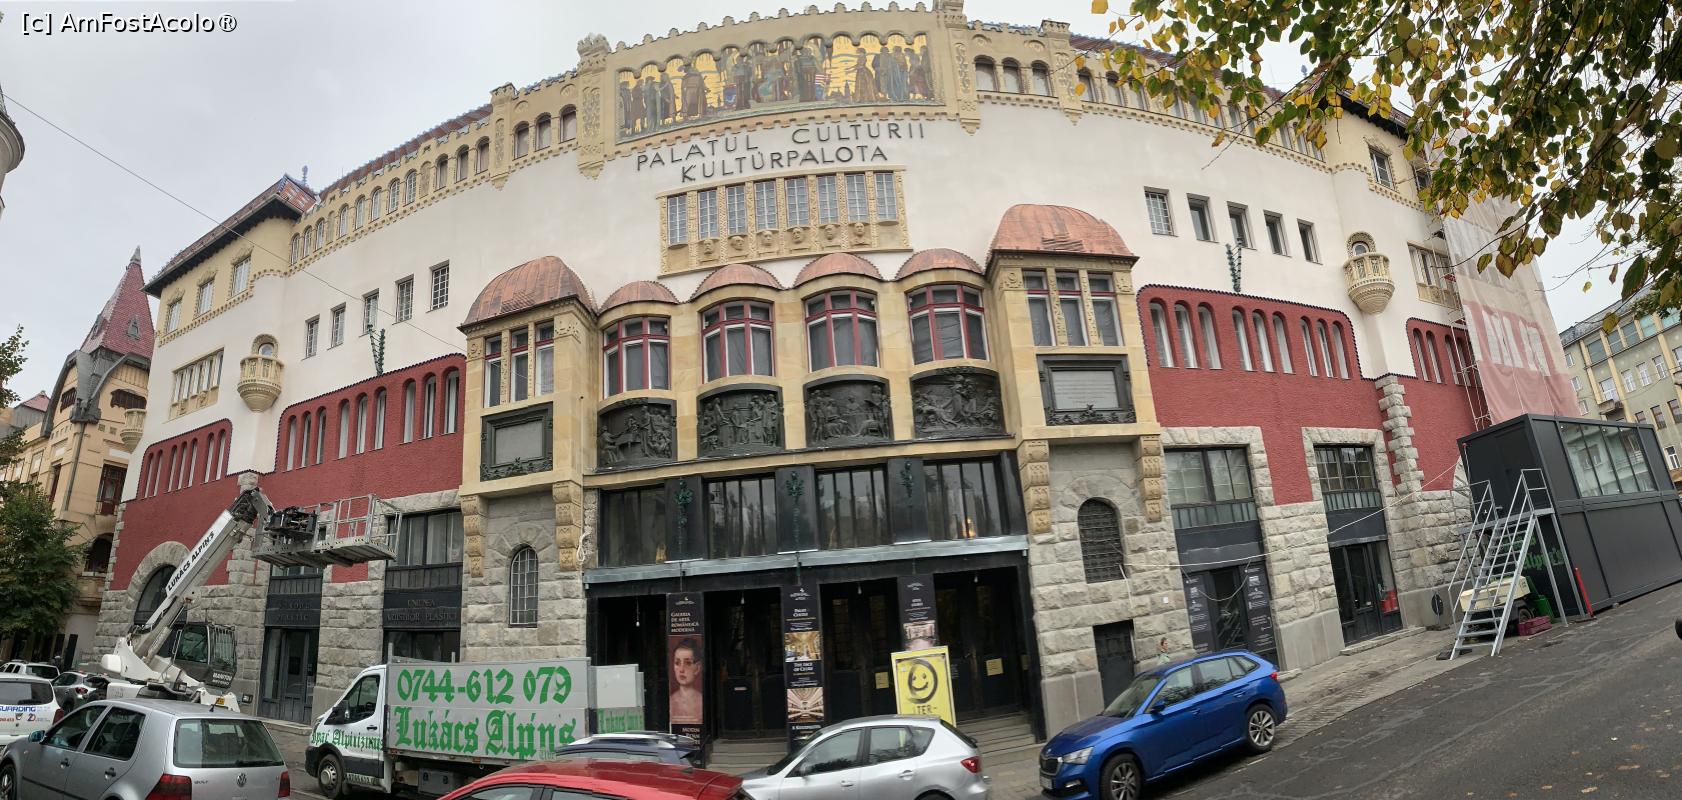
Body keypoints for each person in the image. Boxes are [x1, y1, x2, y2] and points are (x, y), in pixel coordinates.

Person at [669, 638, 703, 725]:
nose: (681, 669)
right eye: (677, 663)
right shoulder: (670, 701)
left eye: (688, 663)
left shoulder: (702, 701)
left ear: (697, 668)